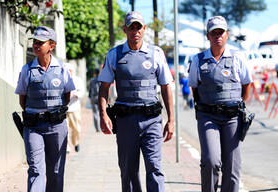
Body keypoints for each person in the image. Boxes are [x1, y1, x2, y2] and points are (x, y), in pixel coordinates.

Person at [98, 11, 174, 192]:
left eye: (138, 27)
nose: (135, 31)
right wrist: (103, 115)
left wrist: (171, 120)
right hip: (126, 122)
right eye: (131, 27)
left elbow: (165, 87)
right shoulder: (115, 55)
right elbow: (104, 87)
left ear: (144, 29)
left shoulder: (156, 53)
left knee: (155, 168)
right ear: (125, 29)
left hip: (152, 121)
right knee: (128, 170)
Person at [188, 16, 252, 192]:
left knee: (232, 167)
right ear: (208, 36)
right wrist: (208, 105)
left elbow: (247, 85)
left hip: (232, 117)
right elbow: (194, 88)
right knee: (211, 161)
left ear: (227, 35)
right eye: (213, 32)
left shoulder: (238, 58)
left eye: (221, 32)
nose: (217, 36)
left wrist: (238, 105)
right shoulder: (198, 60)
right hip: (208, 117)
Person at [15, 26, 75, 192]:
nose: (36, 45)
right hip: (34, 127)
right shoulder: (27, 70)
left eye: (41, 42)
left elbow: (67, 96)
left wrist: (54, 113)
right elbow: (23, 99)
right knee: (35, 169)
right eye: (35, 42)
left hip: (57, 127)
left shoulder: (62, 69)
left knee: (56, 171)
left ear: (52, 46)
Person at [66, 63, 85, 152]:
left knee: (76, 128)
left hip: (74, 108)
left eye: (69, 71)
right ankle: (67, 147)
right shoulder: (62, 80)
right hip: (63, 109)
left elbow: (81, 92)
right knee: (65, 130)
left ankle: (76, 142)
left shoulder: (77, 80)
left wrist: (75, 94)